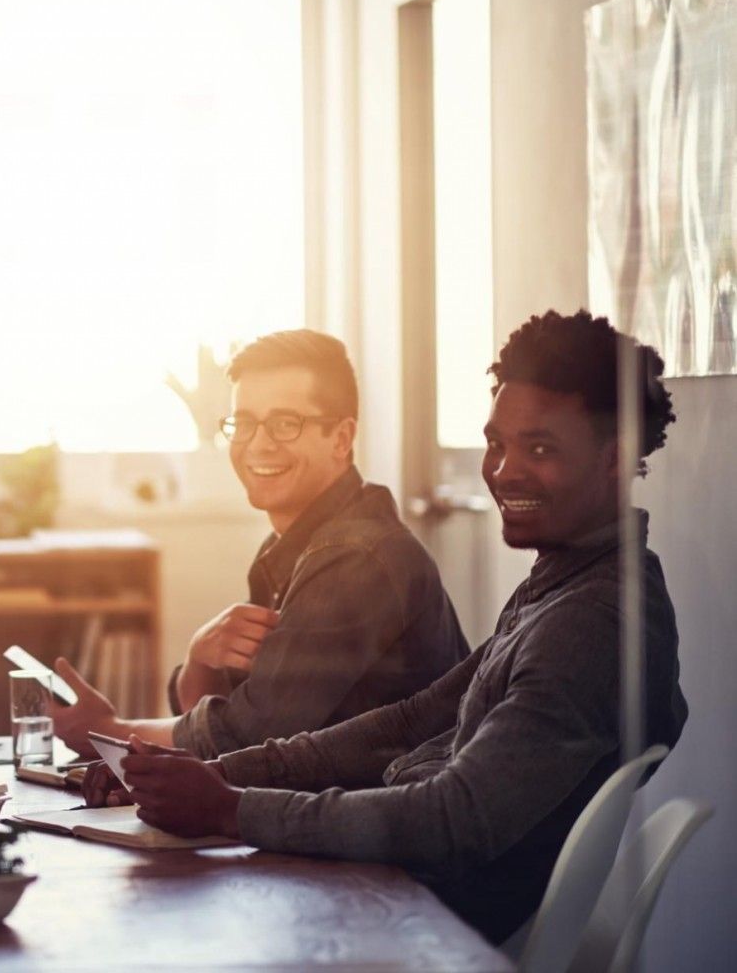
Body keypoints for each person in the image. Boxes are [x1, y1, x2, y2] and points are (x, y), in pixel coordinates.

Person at [110, 311, 687, 944]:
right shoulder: (563, 583)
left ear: (613, 459)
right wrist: (221, 776)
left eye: (541, 448)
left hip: (425, 927)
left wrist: (230, 807)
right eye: (497, 444)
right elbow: (411, 721)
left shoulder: (591, 622)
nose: (504, 471)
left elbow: (453, 819)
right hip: (399, 893)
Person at [54, 329, 468, 768]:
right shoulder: (290, 545)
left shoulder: (356, 557)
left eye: (286, 423)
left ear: (342, 439)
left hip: (377, 822)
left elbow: (247, 738)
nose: (259, 443)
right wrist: (200, 659)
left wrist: (110, 732)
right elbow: (225, 719)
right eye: (244, 422)